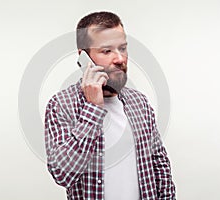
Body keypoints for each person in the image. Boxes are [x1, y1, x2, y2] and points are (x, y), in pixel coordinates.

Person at [44, 11, 176, 200]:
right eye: (107, 51)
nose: (120, 59)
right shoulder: (61, 105)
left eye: (122, 48)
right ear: (84, 58)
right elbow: (63, 174)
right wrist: (93, 109)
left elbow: (160, 165)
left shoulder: (140, 103)